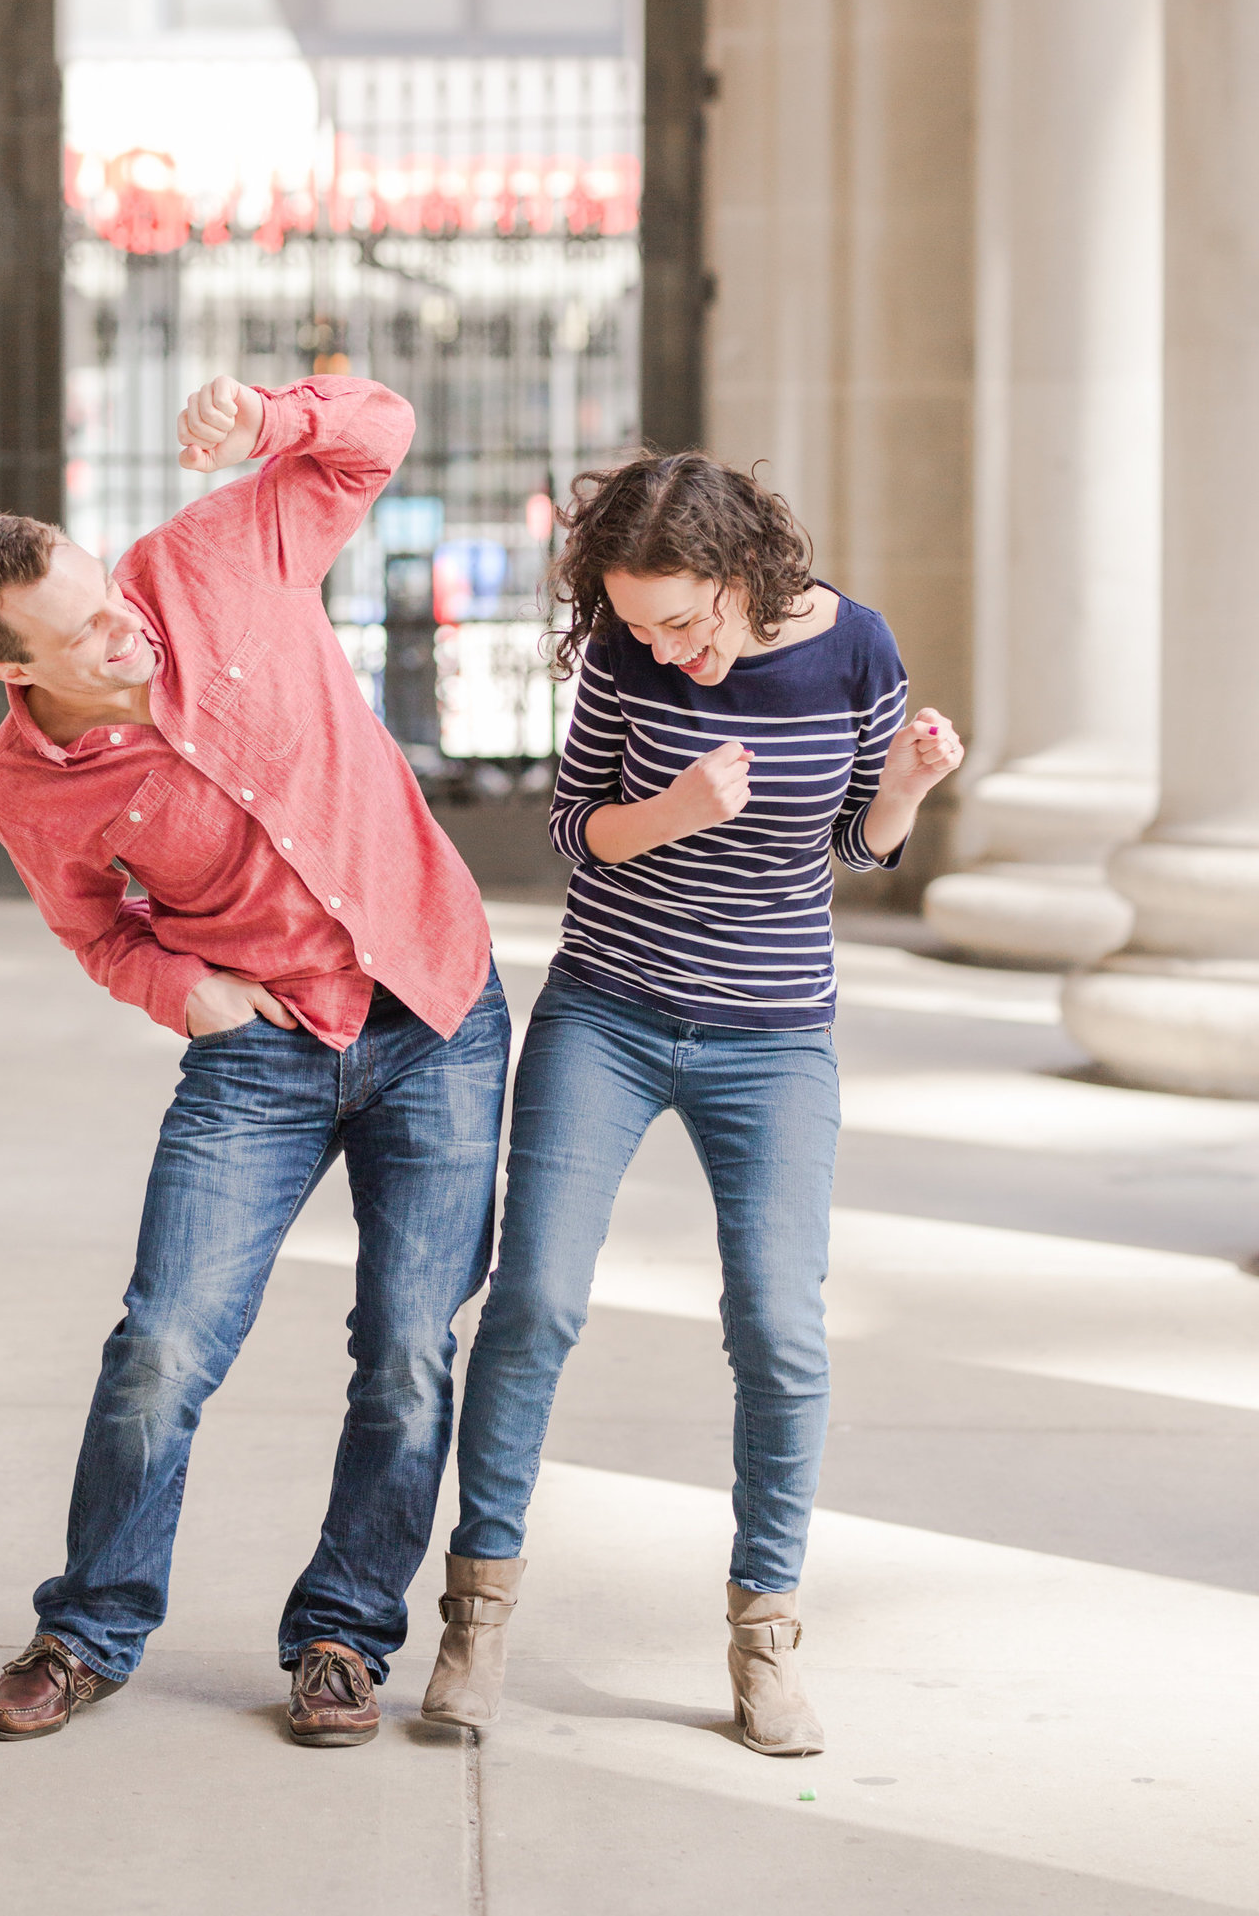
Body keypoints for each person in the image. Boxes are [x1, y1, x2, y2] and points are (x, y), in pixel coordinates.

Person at [0, 373, 509, 1747]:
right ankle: (89, 1627)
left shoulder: (214, 551)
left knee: (409, 1350)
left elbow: (385, 433)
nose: (121, 622)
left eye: (102, 587)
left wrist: (270, 416)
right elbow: (97, 928)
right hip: (265, 1049)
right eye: (80, 629)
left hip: (433, 1005)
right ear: (17, 670)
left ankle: (343, 1639)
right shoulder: (30, 786)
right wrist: (185, 990)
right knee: (163, 1342)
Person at [419, 449, 962, 1753]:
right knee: (537, 1297)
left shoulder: (856, 648)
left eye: (685, 620)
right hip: (607, 1010)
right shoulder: (621, 653)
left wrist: (908, 786)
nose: (665, 647)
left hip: (773, 1036)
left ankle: (765, 1636)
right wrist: (668, 810)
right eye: (637, 622)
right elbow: (570, 829)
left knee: (780, 1326)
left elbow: (856, 846)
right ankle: (476, 1617)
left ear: (743, 574)